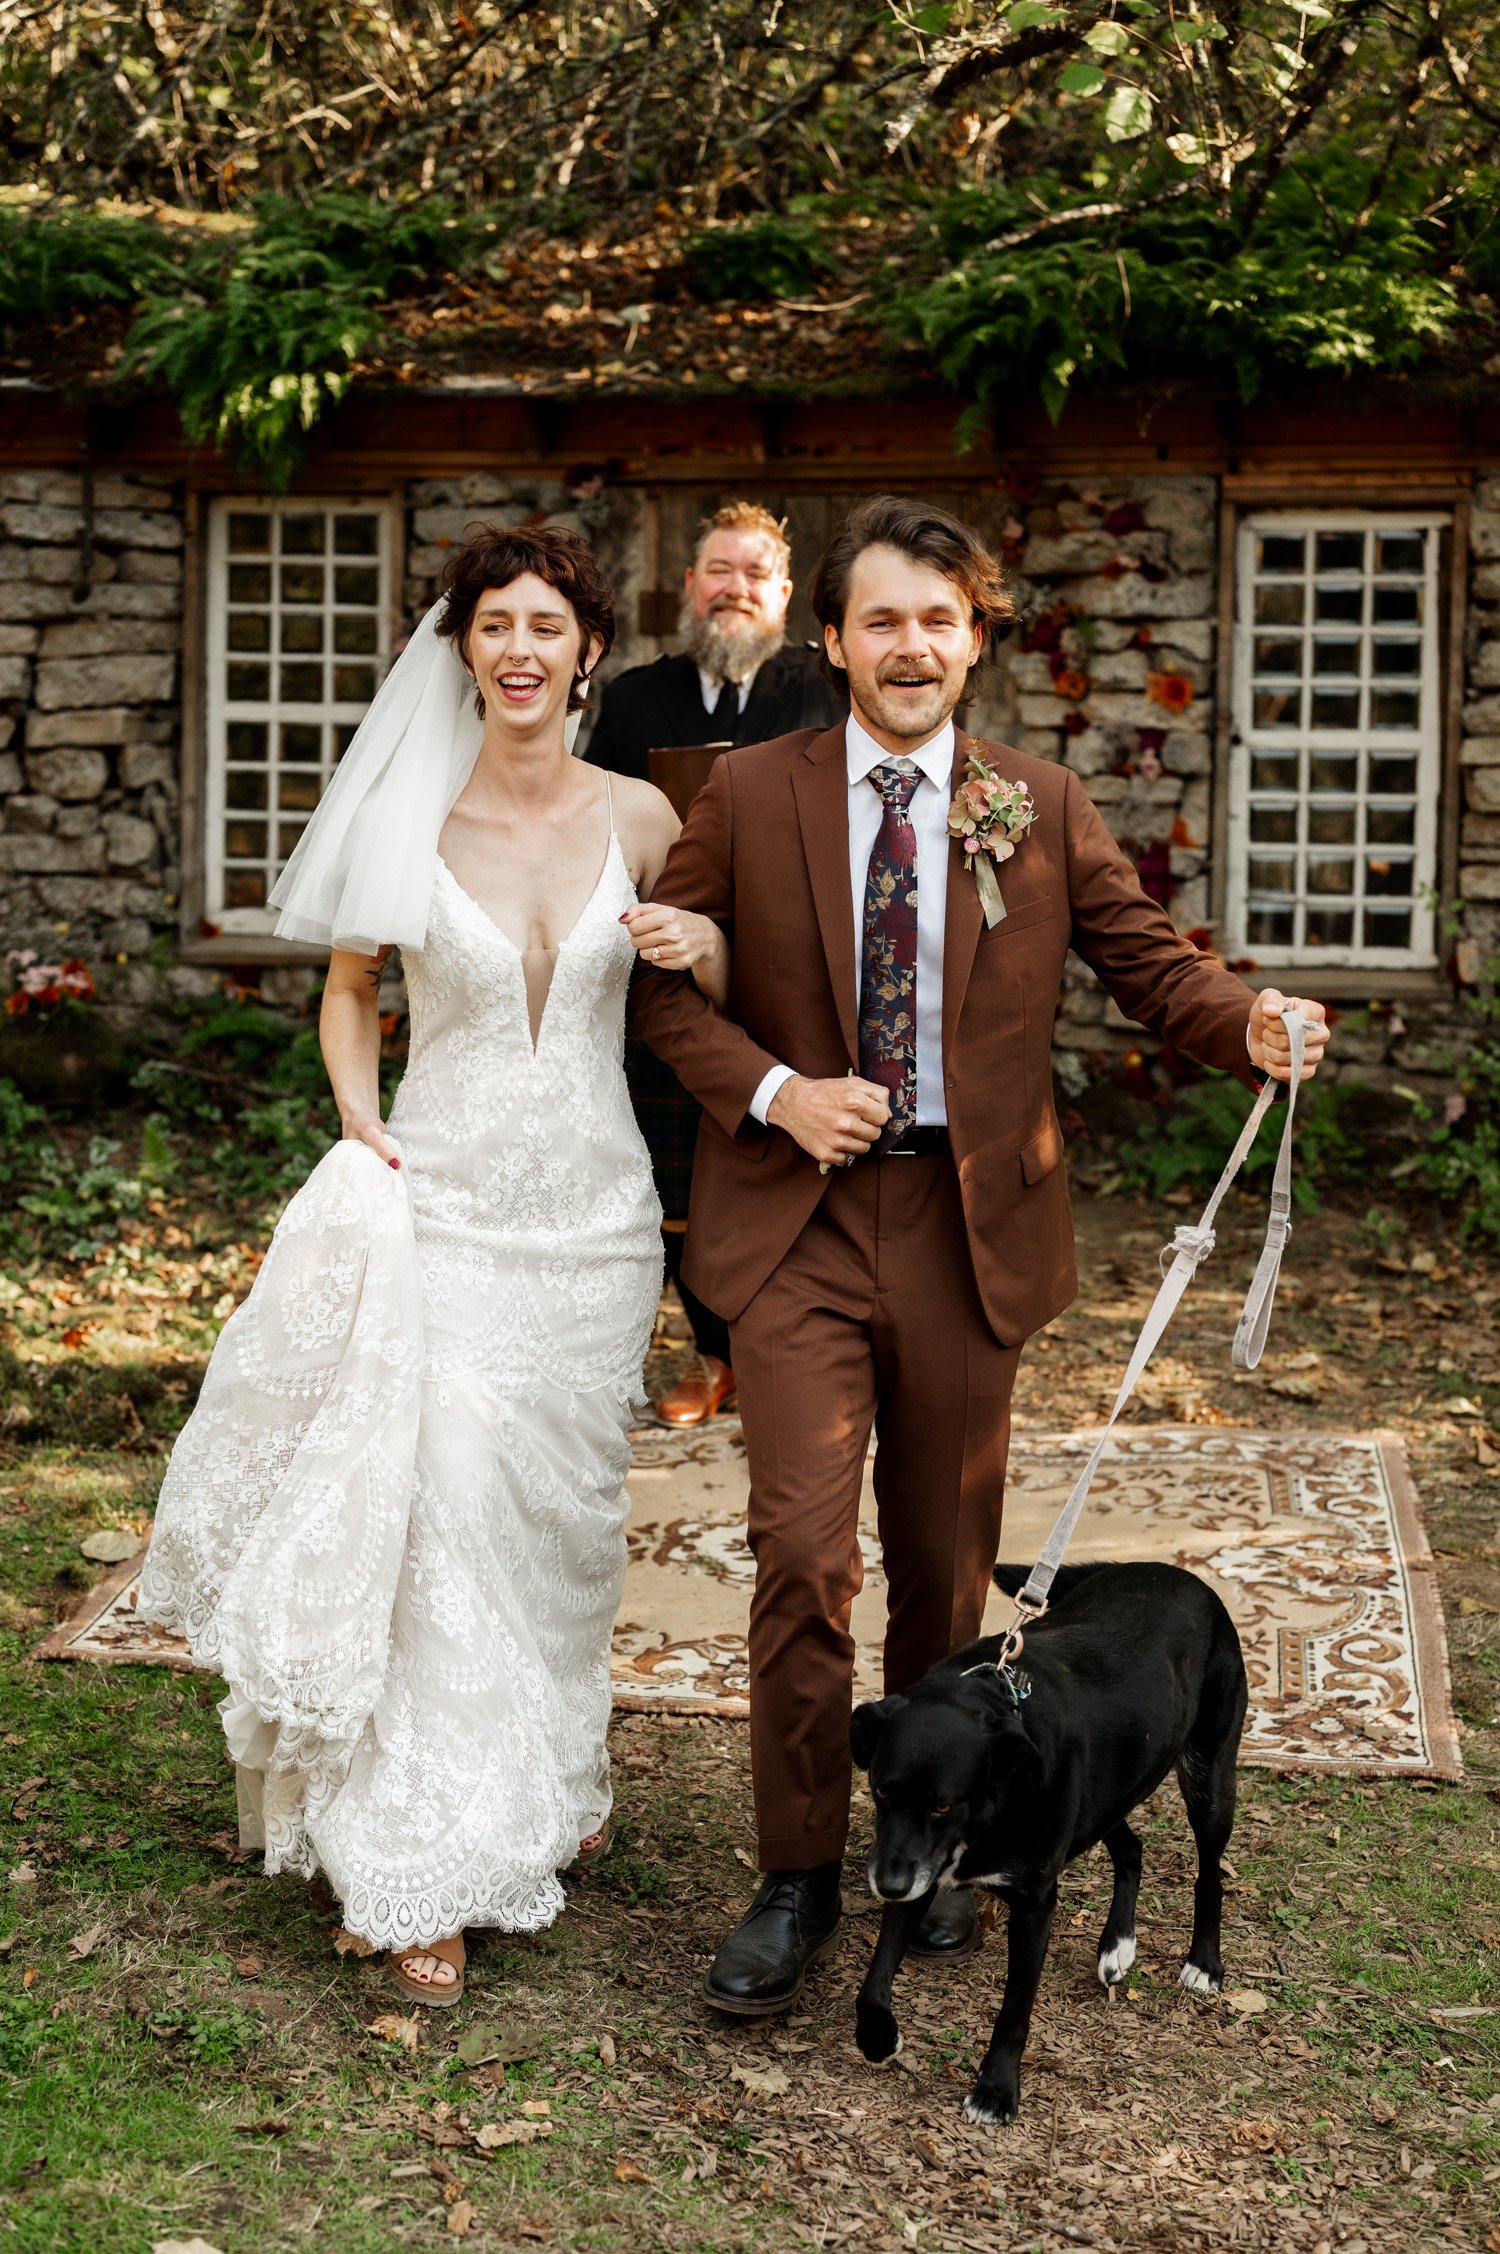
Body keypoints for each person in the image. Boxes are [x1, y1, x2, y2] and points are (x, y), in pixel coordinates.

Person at [626, 494, 1330, 2015]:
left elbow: (1153, 968)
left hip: (967, 1227)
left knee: (945, 1575)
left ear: (975, 635)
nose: (911, 644)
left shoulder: (1043, 802)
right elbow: (664, 987)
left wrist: (1252, 1022)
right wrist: (774, 1090)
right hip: (801, 1222)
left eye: (939, 617)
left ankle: (934, 1836)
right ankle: (798, 1870)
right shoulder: (751, 794)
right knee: (804, 1556)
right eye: (881, 617)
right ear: (833, 638)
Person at [140, 523, 728, 2005]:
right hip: (450, 1204)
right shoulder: (410, 815)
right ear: (462, 647)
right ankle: (425, 1858)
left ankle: (557, 1774)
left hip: (599, 1225)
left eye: (548, 624)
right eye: (494, 624)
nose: (521, 648)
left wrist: (697, 940)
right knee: (447, 1517)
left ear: (588, 649)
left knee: (567, 1533)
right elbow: (349, 995)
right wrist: (356, 1110)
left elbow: (725, 969)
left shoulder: (646, 817)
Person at [588, 501, 847, 1427]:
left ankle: (786, 1353)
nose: (733, 588)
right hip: (657, 970)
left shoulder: (823, 695)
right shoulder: (632, 700)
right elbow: (592, 830)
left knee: (778, 1175)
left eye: (753, 575)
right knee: (673, 1186)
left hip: (790, 975)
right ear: (690, 586)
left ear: (781, 595)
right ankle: (713, 1358)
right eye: (717, 571)